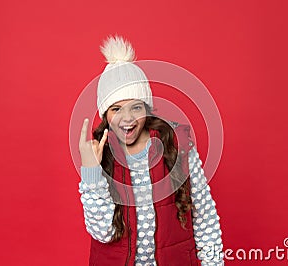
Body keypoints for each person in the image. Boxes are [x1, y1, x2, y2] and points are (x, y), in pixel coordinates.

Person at [78, 35, 224, 265]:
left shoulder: (178, 147)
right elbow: (102, 232)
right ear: (105, 114)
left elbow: (205, 218)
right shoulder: (98, 156)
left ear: (147, 108)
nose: (127, 118)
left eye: (135, 107)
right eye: (116, 108)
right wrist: (91, 174)